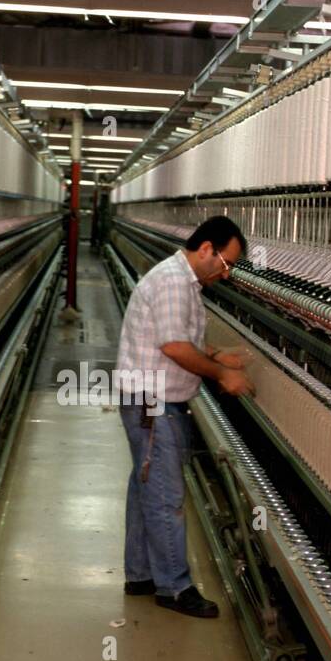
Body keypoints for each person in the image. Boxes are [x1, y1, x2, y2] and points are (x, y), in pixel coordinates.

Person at [115, 216, 254, 618]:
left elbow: (182, 338)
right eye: (225, 264)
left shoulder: (183, 279)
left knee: (146, 488)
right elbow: (175, 347)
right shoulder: (176, 282)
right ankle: (174, 588)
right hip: (153, 403)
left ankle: (140, 574)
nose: (225, 274)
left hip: (150, 401)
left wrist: (212, 354)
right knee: (166, 497)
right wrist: (222, 374)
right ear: (206, 248)